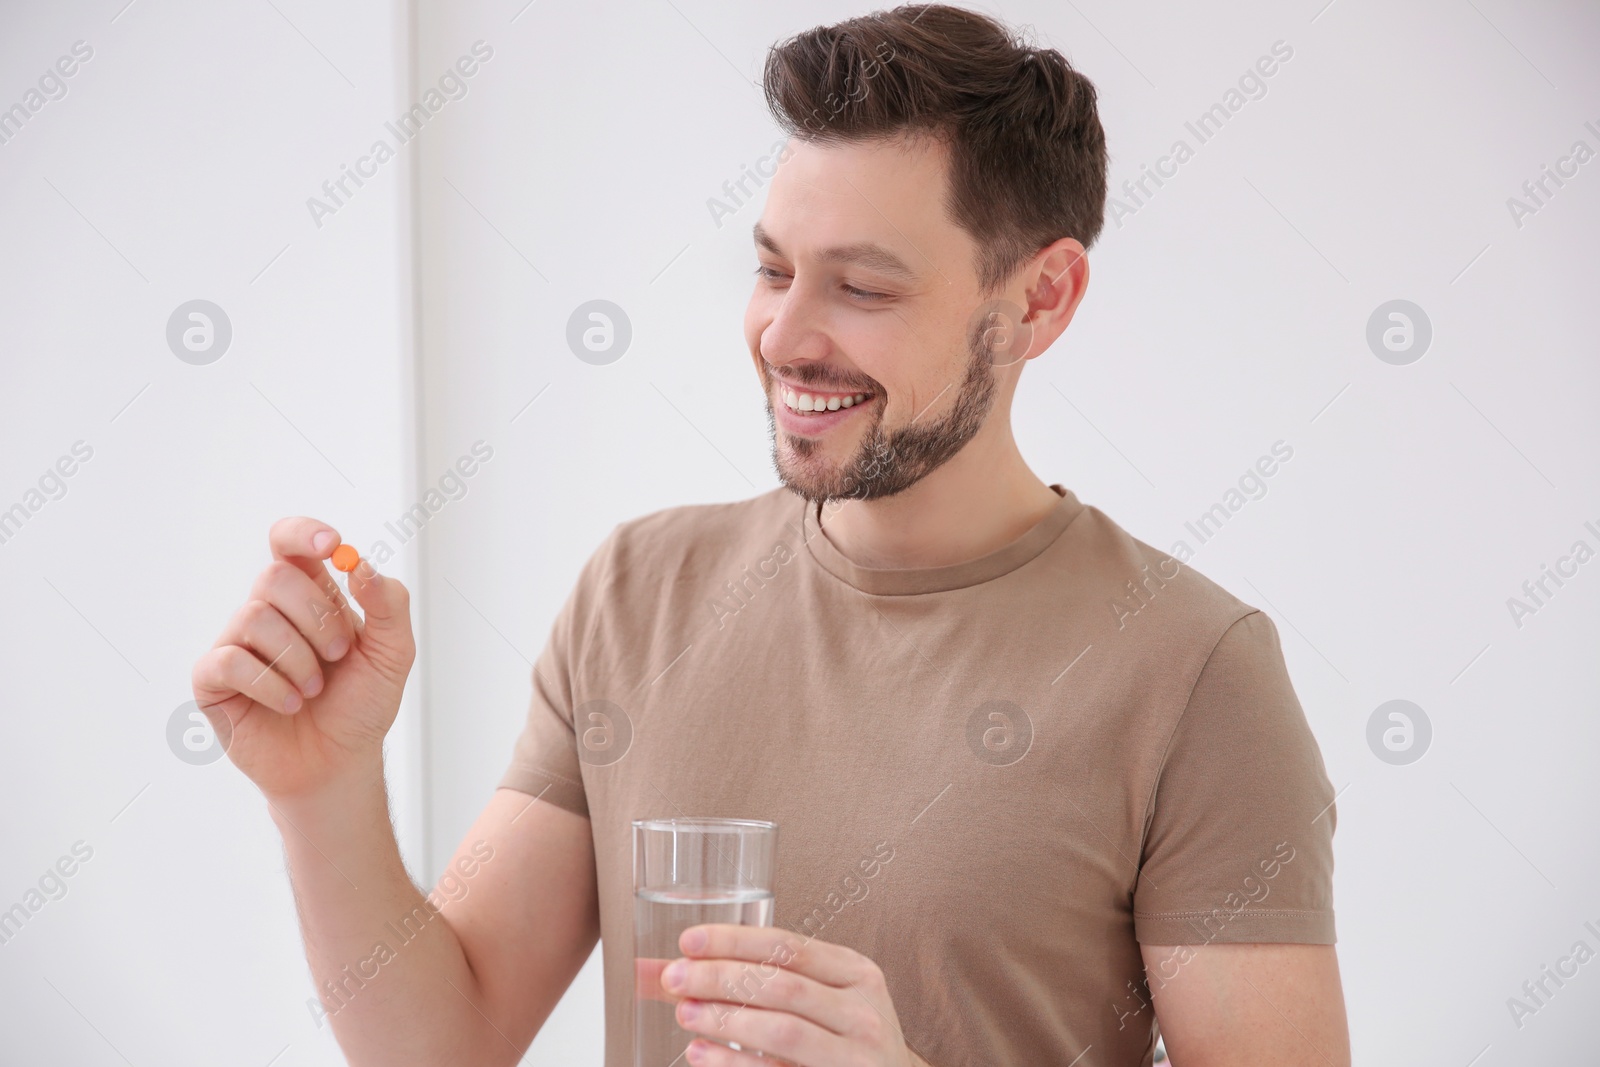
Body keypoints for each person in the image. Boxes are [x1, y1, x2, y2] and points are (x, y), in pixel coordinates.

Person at [191, 5, 1350, 1065]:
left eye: (863, 287)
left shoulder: (1194, 673)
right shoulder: (638, 591)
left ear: (1039, 299)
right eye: (771, 268)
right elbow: (440, 1041)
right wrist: (325, 787)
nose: (782, 335)